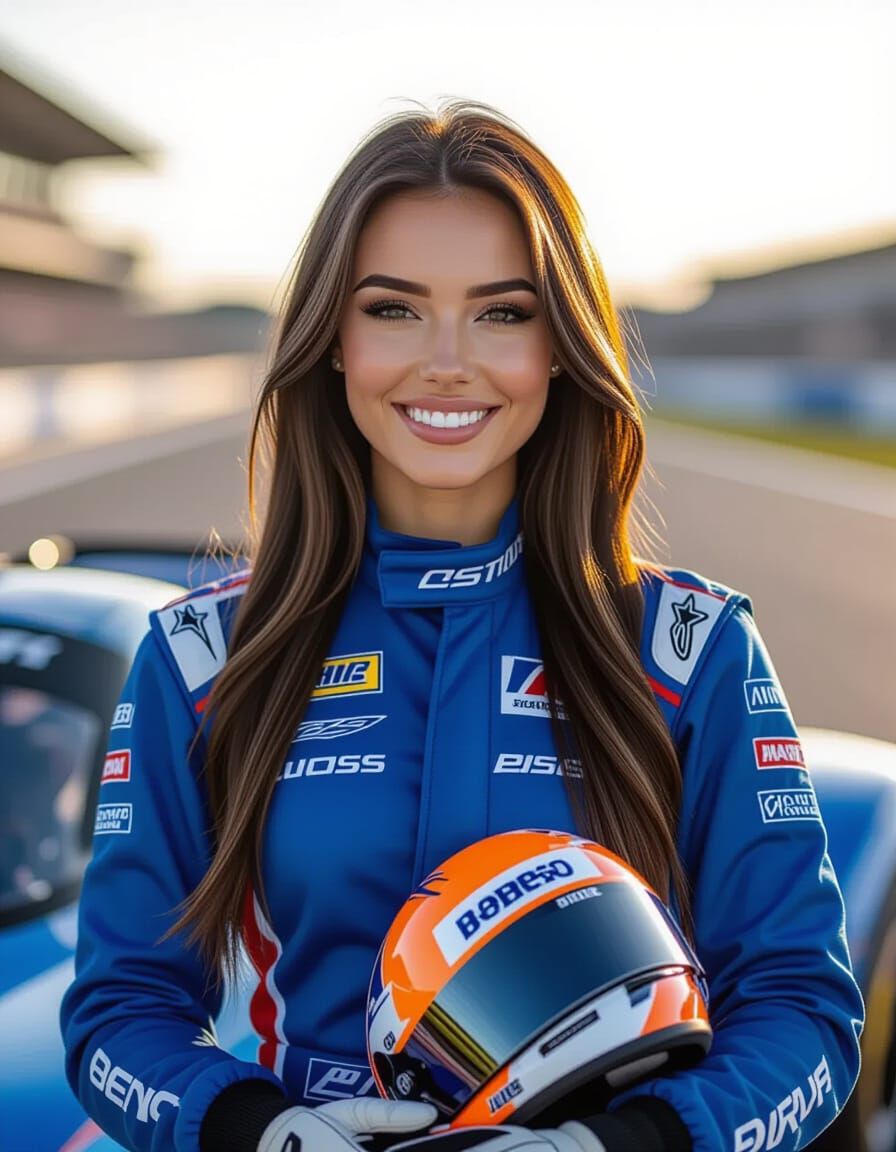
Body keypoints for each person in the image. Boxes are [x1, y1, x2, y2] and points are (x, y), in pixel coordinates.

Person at [60, 101, 863, 1152]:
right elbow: (116, 1014)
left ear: (561, 346)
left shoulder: (687, 651)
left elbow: (804, 1011)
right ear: (332, 340)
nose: (447, 362)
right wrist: (260, 1132)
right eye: (393, 309)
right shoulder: (205, 659)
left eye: (502, 313)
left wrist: (615, 1148)